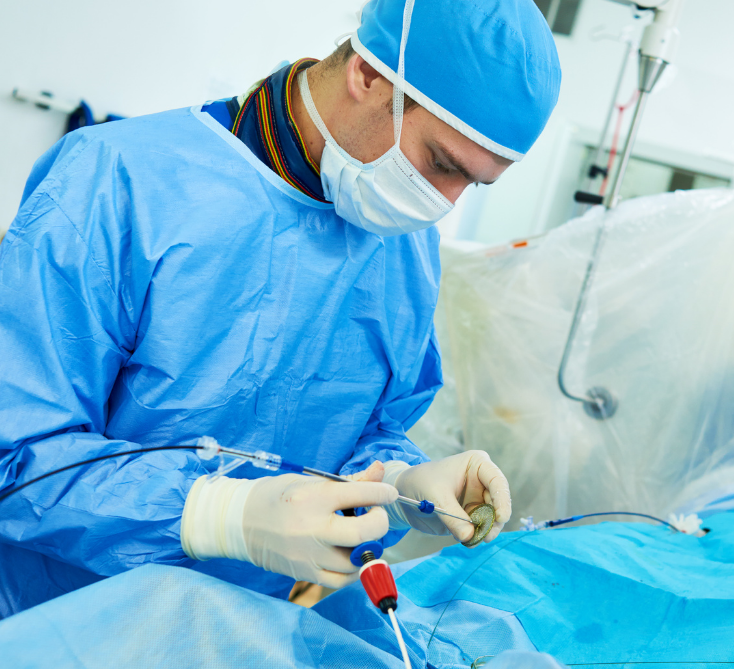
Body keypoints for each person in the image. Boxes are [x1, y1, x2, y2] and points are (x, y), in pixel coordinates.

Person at [0, 0, 561, 617]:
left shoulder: (405, 243)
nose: (443, 203)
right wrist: (219, 514)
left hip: (232, 628)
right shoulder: (118, 180)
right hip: (50, 619)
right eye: (441, 164)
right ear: (369, 77)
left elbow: (368, 429)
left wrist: (397, 486)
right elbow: (16, 457)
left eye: (473, 183)